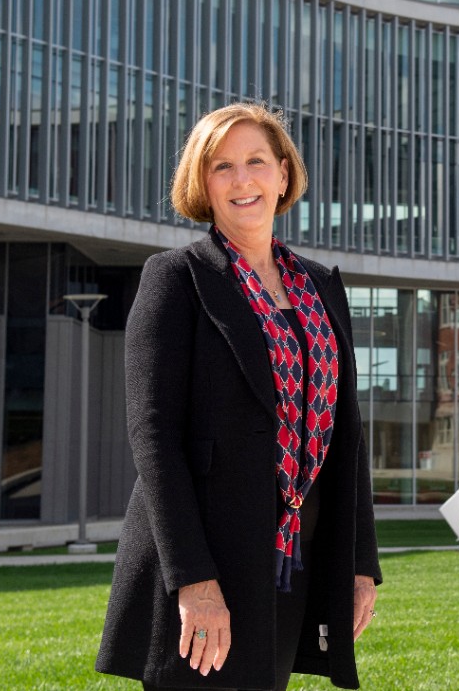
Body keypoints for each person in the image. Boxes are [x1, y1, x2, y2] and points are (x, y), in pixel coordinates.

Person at [96, 103, 381, 690]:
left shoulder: (320, 287)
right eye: (222, 166)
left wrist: (359, 564)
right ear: (202, 183)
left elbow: (343, 433)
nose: (242, 179)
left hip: (291, 558)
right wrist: (193, 582)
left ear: (283, 173)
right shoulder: (176, 278)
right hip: (209, 562)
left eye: (256, 161)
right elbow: (154, 442)